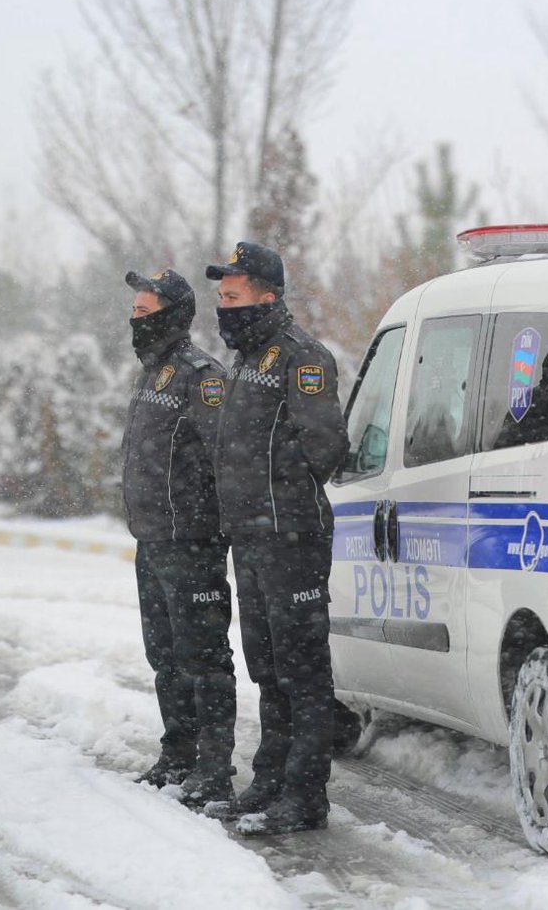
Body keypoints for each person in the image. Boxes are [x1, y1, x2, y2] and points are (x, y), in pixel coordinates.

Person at [201, 241, 351, 836]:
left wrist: (275, 497)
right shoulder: (244, 361)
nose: (223, 307)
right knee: (266, 667)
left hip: (291, 537)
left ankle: (305, 793)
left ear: (267, 293)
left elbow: (325, 447)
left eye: (232, 296)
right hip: (252, 539)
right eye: (220, 298)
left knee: (302, 671)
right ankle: (269, 779)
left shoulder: (300, 357)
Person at [121, 268, 237, 811]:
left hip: (191, 543)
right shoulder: (152, 375)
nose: (135, 321)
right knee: (163, 655)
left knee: (202, 656)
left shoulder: (200, 376)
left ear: (171, 315)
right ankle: (178, 753)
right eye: (136, 312)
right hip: (152, 540)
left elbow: (223, 457)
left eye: (144, 312)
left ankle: (213, 767)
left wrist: (207, 524)